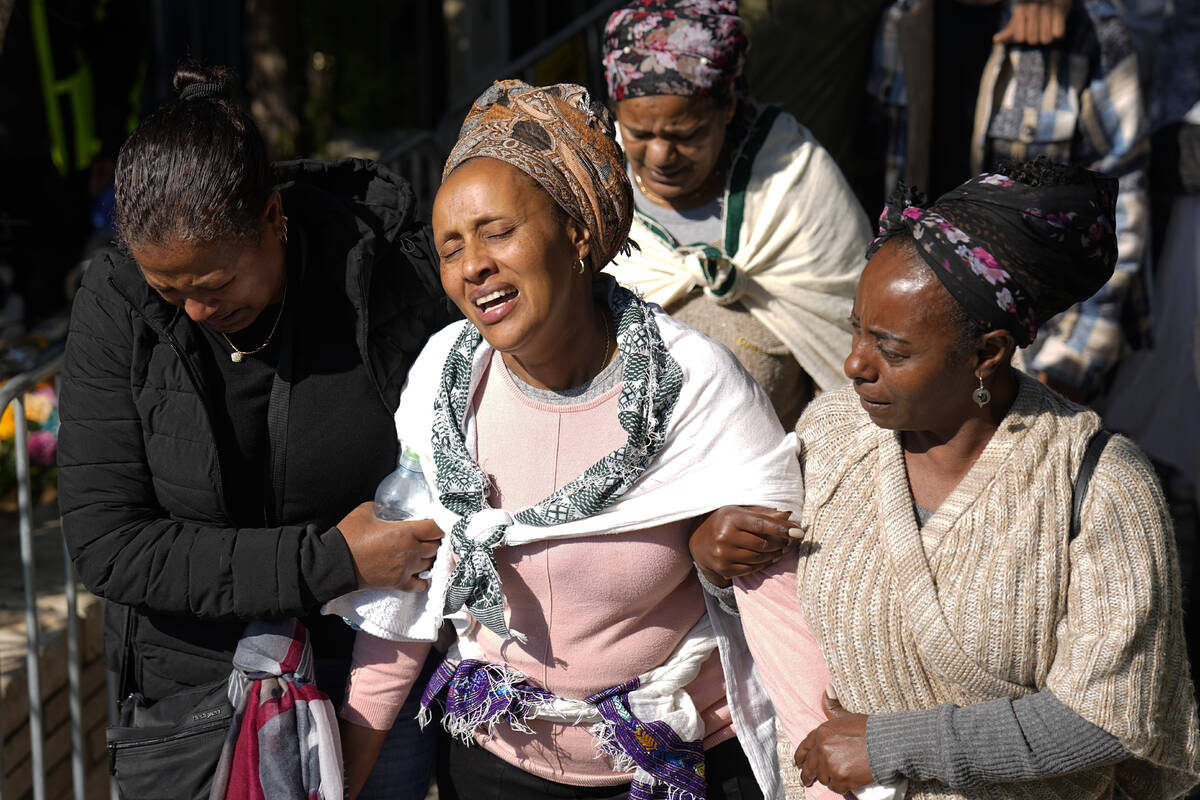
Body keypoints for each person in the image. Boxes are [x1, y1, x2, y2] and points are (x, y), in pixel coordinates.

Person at [333, 80, 833, 800]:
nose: (472, 265)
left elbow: (779, 606)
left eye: (497, 232)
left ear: (575, 233)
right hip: (492, 768)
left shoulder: (694, 386)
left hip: (671, 771)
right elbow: (408, 596)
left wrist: (827, 786)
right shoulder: (442, 382)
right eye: (451, 247)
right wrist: (342, 777)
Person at [56, 65, 457, 799]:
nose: (196, 312)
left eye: (215, 286)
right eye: (168, 290)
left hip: (372, 672)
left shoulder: (384, 270)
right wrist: (331, 559)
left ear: (274, 217)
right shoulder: (116, 306)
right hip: (194, 697)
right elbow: (110, 545)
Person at [748, 159, 1200, 798]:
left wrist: (893, 746)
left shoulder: (1098, 485)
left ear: (986, 352)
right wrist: (719, 552)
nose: (854, 364)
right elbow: (777, 596)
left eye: (893, 349)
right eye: (856, 329)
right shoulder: (833, 434)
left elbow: (1109, 714)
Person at [600, 0, 872, 428]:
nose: (659, 156)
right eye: (639, 133)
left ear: (727, 107)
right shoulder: (596, 183)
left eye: (685, 135)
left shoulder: (791, 173)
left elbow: (843, 332)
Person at [867, 0, 1149, 403]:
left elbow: (1123, 203)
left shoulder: (1091, 32)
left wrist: (1066, 366)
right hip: (913, 351)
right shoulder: (902, 19)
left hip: (1035, 356)